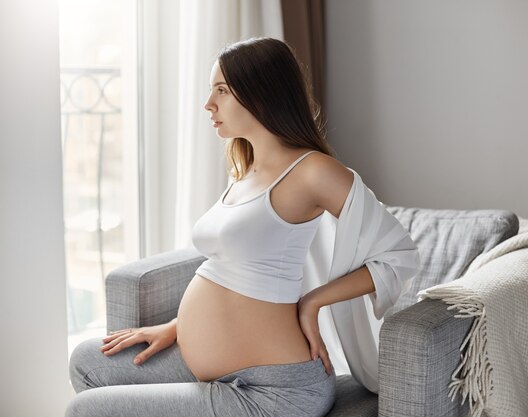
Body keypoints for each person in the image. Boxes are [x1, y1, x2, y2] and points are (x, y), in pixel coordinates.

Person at [66, 37, 361, 417]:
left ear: (262, 93)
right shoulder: (248, 168)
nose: (209, 104)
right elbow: (237, 266)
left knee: (84, 410)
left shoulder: (314, 171)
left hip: (273, 389)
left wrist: (313, 302)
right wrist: (177, 325)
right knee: (87, 362)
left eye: (221, 90)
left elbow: (397, 254)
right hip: (220, 366)